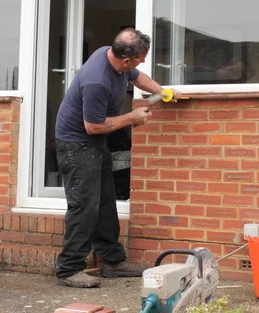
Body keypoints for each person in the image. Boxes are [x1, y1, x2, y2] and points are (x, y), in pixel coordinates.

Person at [54, 28, 181, 288]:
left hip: (95, 144)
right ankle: (68, 269)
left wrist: (162, 90)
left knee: (105, 203)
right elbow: (93, 126)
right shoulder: (96, 81)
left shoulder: (111, 56)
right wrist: (132, 118)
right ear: (125, 59)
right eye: (139, 59)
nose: (140, 64)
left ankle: (112, 261)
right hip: (76, 144)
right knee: (84, 206)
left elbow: (138, 77)